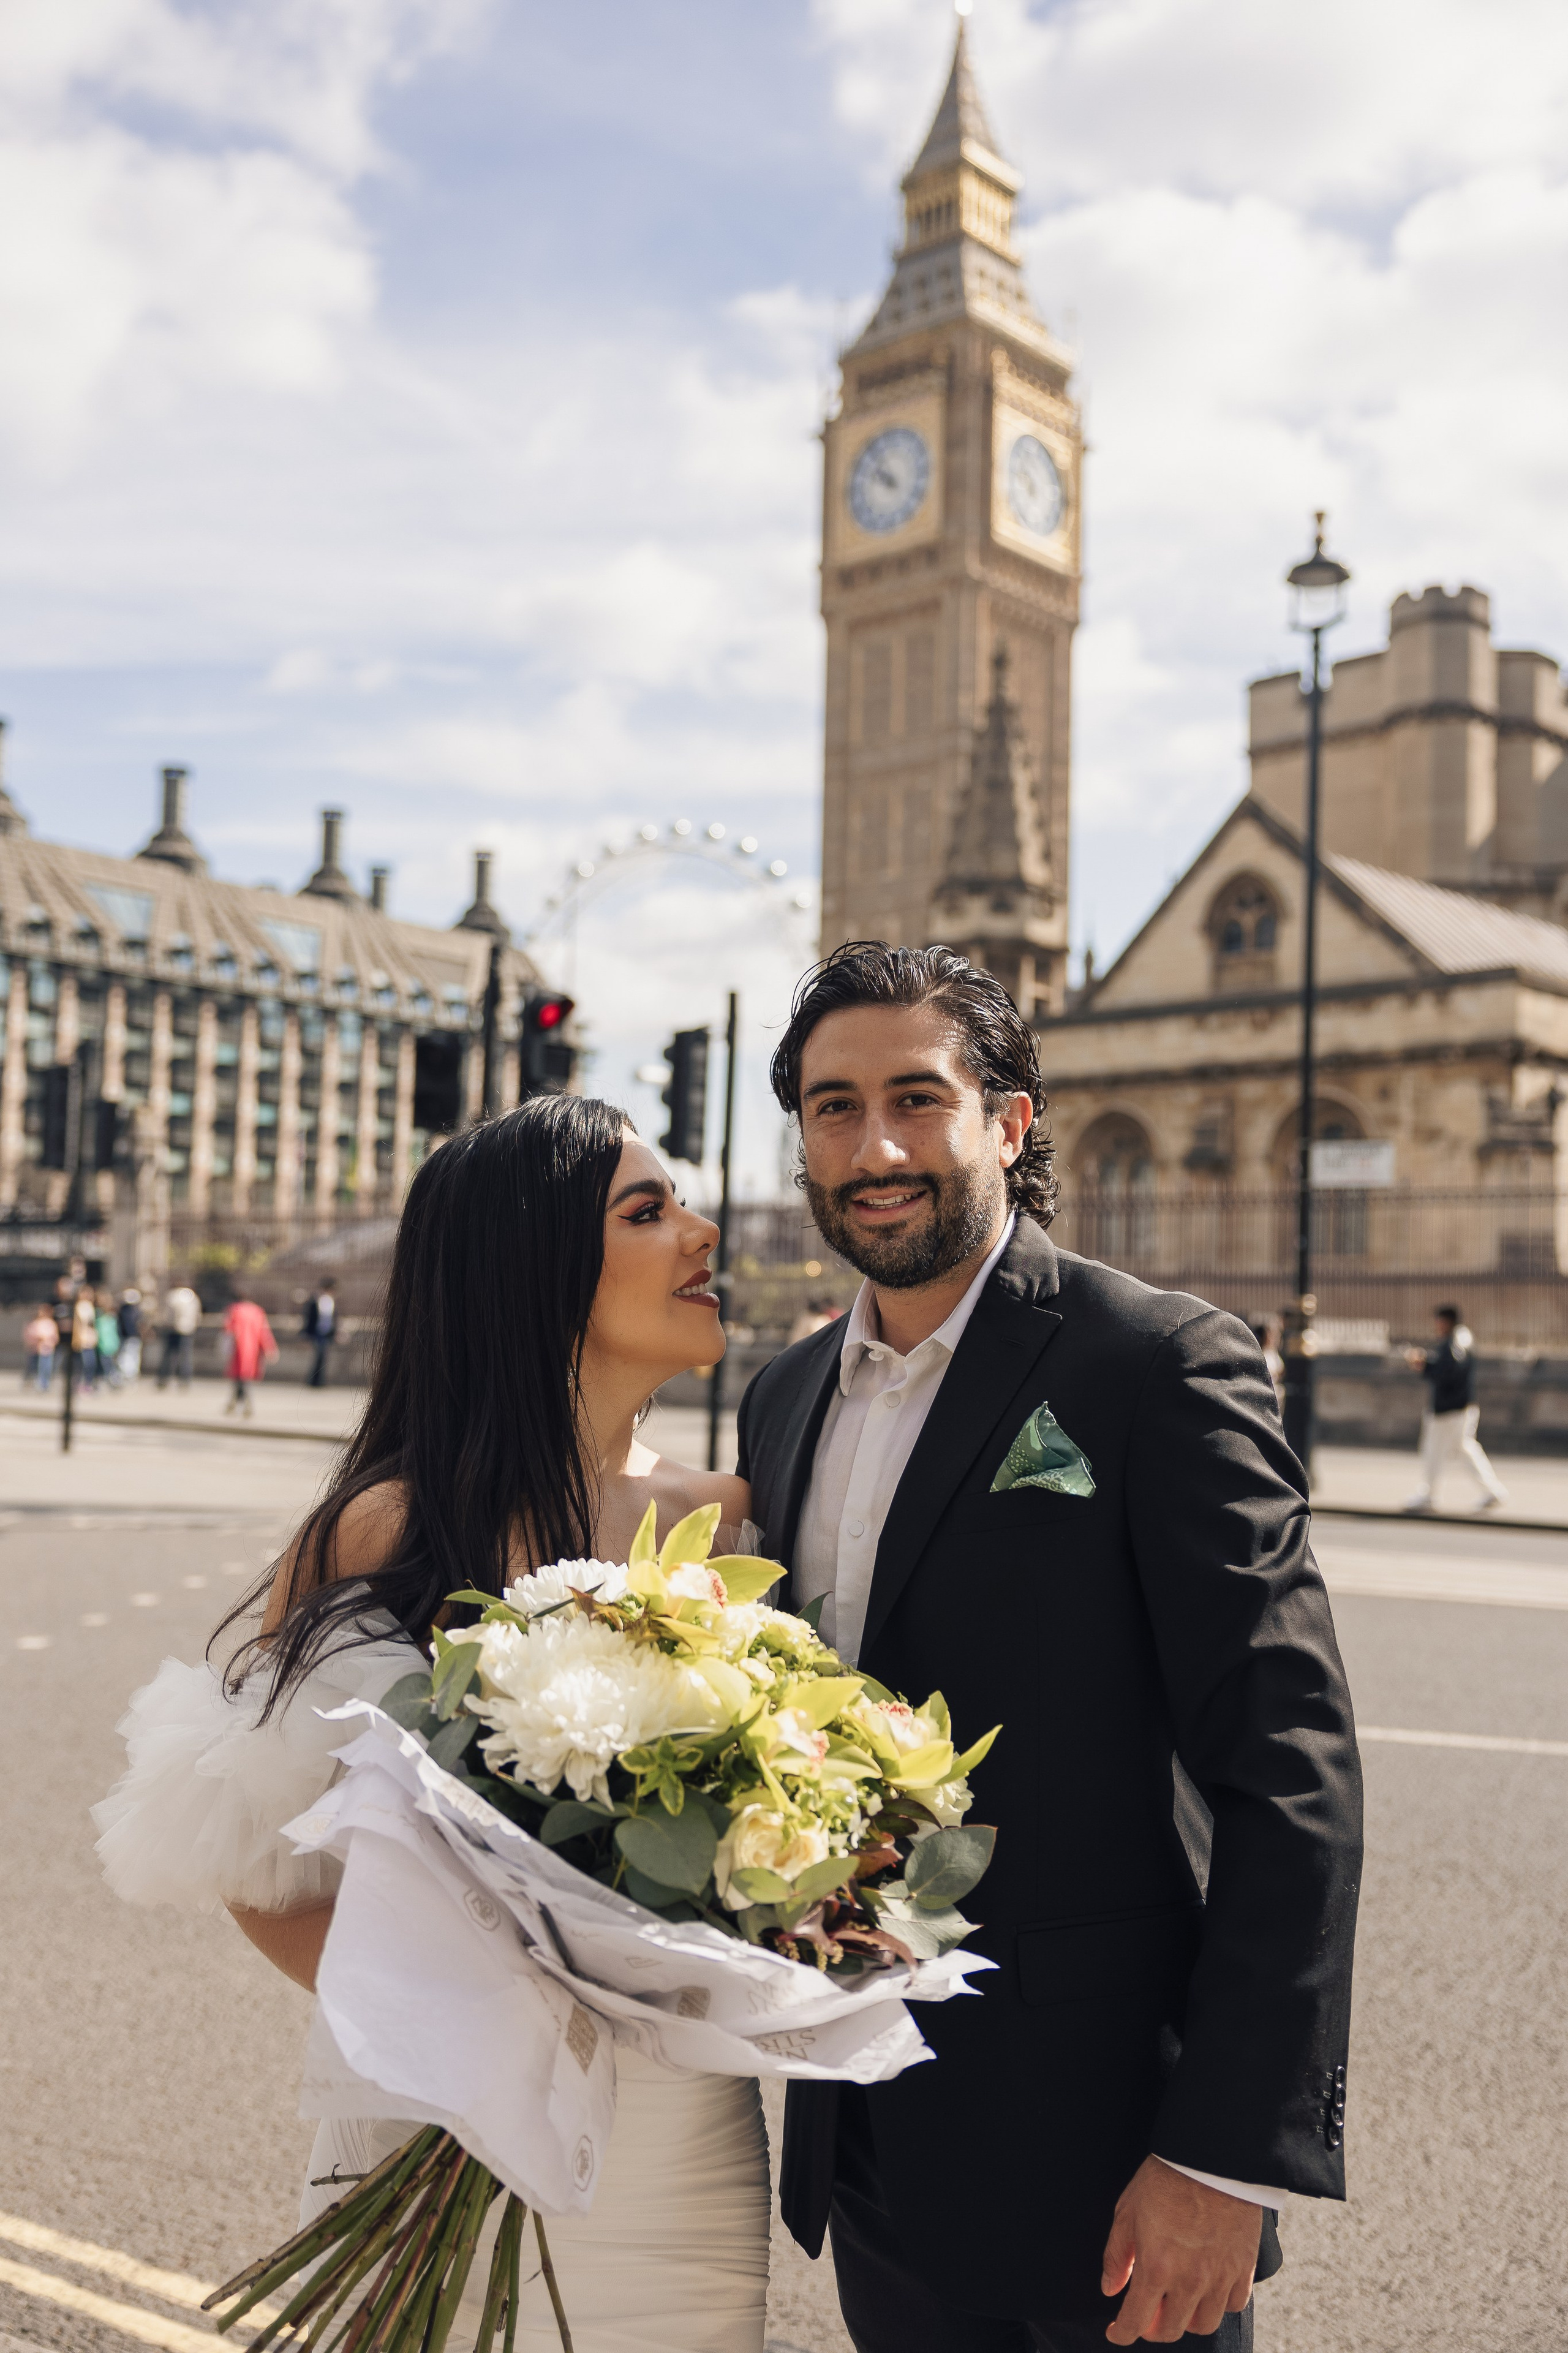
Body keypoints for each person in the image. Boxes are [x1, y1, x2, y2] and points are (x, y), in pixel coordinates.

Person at [737, 943, 1363, 2353]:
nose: (873, 1147)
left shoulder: (1153, 1362)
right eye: (833, 1108)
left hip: (1115, 2167)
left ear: (1008, 1122)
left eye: (916, 1098)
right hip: (872, 2150)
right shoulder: (781, 1395)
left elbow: (1288, 1774)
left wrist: (1222, 2151)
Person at [92, 1098, 770, 2352]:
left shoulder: (734, 1518)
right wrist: (477, 2007)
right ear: (533, 1265)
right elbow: (248, 1858)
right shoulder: (385, 1529)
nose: (701, 1232)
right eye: (648, 1211)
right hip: (431, 2114)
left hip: (680, 2146)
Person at [1403, 1305, 1507, 1513]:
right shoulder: (1462, 1338)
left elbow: (1449, 1370)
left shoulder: (1456, 1341)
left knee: (1435, 1450)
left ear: (1445, 1321)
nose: (1436, 1326)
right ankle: (1492, 1492)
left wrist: (1425, 1365)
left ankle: (1429, 1496)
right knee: (1462, 1449)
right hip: (1458, 1407)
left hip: (1450, 1409)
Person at [222, 1290, 277, 1416]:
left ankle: (243, 1404)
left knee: (240, 1378)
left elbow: (228, 1329)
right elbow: (264, 1332)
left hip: (238, 1348)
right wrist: (270, 1349)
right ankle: (235, 1404)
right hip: (253, 1349)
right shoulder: (258, 1311)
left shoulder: (234, 1310)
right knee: (245, 1377)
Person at [156, 1281, 201, 1386]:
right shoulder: (193, 1297)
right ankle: (185, 1379)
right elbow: (197, 1315)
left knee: (169, 1355)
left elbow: (169, 1314)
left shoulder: (173, 1296)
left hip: (173, 1329)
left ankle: (164, 1378)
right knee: (186, 1355)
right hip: (188, 1329)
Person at [301, 1281, 336, 1388]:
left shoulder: (331, 1302)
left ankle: (319, 1380)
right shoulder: (316, 1301)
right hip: (318, 1333)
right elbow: (310, 1319)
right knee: (319, 1356)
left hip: (326, 1334)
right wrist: (307, 1334)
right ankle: (315, 1381)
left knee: (323, 1357)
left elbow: (333, 1319)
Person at [21, 1305, 56, 1392]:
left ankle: (44, 1384)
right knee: (34, 1367)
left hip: (47, 1349)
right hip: (36, 1349)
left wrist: (47, 1340)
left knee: (46, 1367)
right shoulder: (34, 1323)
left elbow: (54, 1337)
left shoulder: (50, 1323)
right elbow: (29, 1335)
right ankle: (34, 1382)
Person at [72, 1285, 100, 1389]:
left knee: (91, 1363)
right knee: (84, 1364)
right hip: (82, 1340)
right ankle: (81, 1384)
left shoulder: (90, 1306)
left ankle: (88, 1383)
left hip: (90, 1339)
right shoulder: (80, 1306)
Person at [94, 1290, 123, 1388]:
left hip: (109, 1344)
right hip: (100, 1343)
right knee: (103, 1364)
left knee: (109, 1364)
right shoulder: (97, 1314)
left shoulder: (112, 1316)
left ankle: (113, 1381)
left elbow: (115, 1331)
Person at [117, 1287, 144, 1383]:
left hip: (132, 1337)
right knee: (127, 1356)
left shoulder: (133, 1310)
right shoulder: (126, 1310)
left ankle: (130, 1374)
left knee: (132, 1356)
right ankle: (127, 1374)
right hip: (128, 1336)